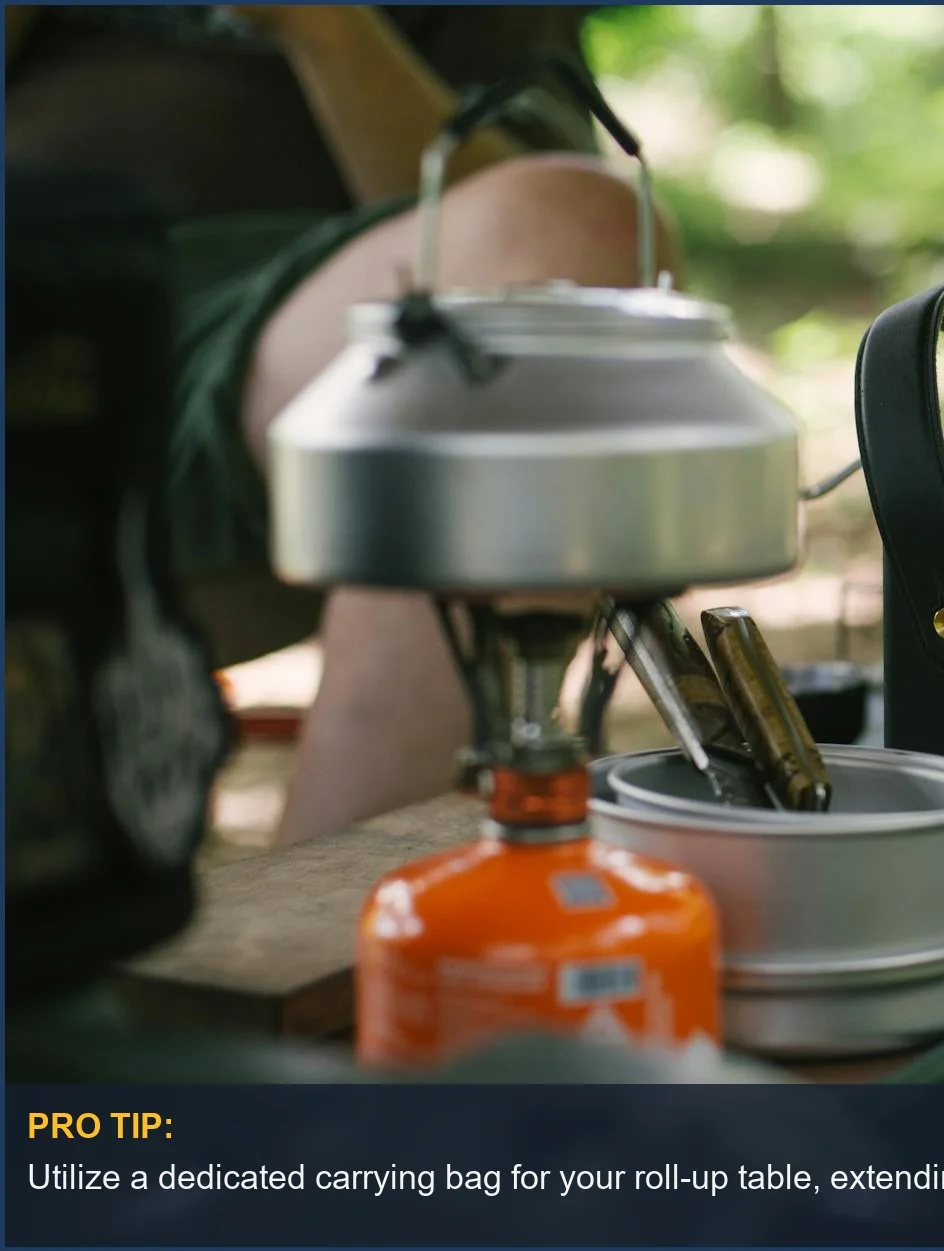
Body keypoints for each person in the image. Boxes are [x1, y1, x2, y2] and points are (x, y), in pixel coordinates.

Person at [6, 5, 677, 845]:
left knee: (572, 242)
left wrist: (321, 23)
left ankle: (327, 937)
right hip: (26, 274)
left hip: (313, 330)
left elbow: (518, 227)